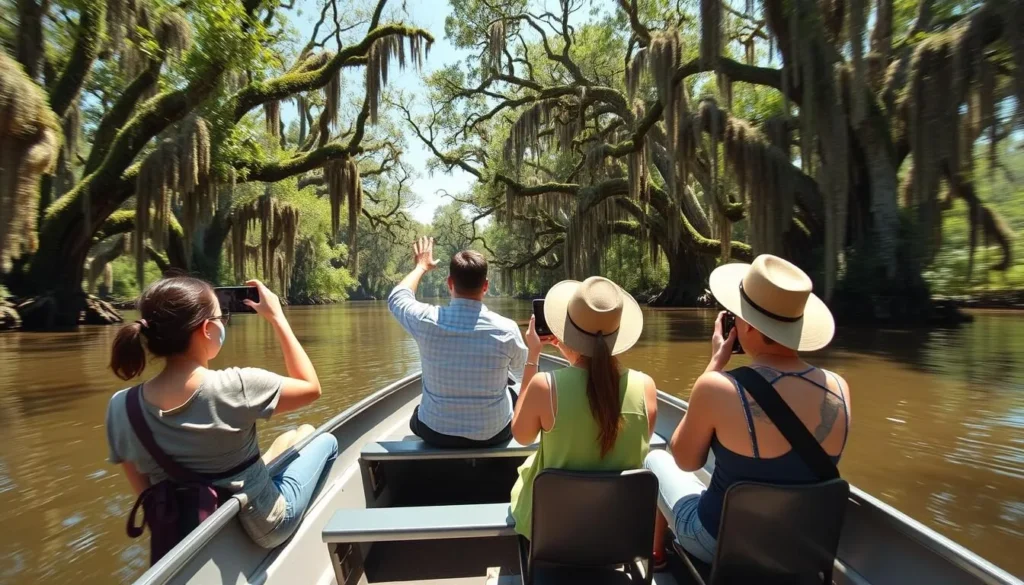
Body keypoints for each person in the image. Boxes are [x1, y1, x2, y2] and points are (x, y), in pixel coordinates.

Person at [645, 254, 851, 567]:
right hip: (801, 549)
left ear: (747, 326)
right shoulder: (839, 388)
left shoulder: (718, 387)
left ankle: (657, 557)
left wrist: (714, 364)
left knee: (655, 459)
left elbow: (685, 461)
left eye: (737, 315)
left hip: (720, 544)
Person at [105, 276, 338, 551]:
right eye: (221, 317)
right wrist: (278, 319)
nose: (223, 323)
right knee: (325, 441)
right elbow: (311, 388)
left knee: (295, 436)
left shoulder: (121, 406)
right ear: (206, 329)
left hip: (185, 535)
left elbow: (147, 493)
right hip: (263, 526)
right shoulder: (237, 385)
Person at [509, 276, 658, 539]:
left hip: (554, 530)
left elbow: (521, 436)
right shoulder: (645, 387)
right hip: (618, 531)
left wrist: (532, 357)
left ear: (567, 329)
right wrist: (574, 353)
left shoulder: (545, 386)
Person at [389, 236, 531, 448]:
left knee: (415, 417)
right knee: (513, 390)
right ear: (485, 286)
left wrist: (421, 266)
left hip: (435, 432)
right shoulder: (507, 330)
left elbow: (397, 297)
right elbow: (523, 374)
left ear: (449, 283)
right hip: (494, 434)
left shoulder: (425, 320)